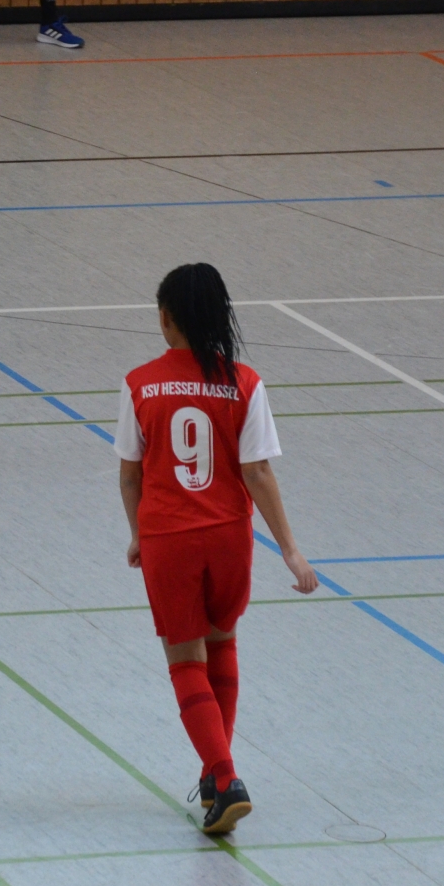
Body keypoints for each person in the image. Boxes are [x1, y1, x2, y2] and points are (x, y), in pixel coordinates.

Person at [112, 263, 319, 836]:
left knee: (185, 660)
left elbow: (130, 476)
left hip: (170, 537)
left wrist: (138, 535)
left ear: (166, 319)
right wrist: (291, 551)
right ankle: (213, 778)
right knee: (222, 644)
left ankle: (225, 779)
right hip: (229, 536)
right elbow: (257, 471)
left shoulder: (140, 384)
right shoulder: (245, 383)